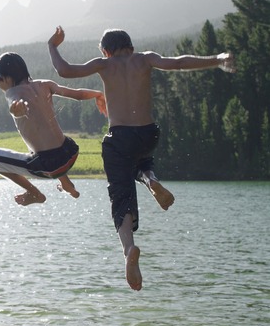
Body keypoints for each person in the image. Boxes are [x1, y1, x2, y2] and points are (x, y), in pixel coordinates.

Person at [47, 25, 235, 290]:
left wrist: (52, 46)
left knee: (120, 192)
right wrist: (217, 60)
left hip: (119, 136)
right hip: (148, 133)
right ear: (130, 47)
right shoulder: (145, 58)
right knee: (141, 161)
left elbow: (65, 70)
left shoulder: (104, 64)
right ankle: (150, 180)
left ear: (105, 51)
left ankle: (129, 249)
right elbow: (178, 63)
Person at [0, 52, 106, 205]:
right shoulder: (45, 84)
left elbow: (15, 103)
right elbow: (77, 94)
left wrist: (17, 110)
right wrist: (98, 94)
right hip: (70, 152)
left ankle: (34, 193)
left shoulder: (12, 93)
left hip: (49, 166)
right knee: (42, 140)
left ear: (6, 79)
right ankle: (67, 184)